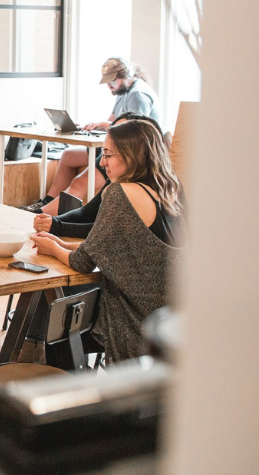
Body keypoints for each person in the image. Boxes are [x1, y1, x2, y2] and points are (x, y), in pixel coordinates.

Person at [30, 119, 183, 364]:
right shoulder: (168, 190)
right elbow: (113, 248)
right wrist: (61, 244)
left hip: (134, 323)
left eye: (108, 154)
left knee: (57, 331)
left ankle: (72, 398)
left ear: (131, 156)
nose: (102, 162)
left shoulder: (121, 193)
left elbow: (82, 262)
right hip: (168, 319)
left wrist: (53, 248)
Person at [22, 58, 161, 215]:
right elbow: (113, 121)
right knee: (68, 156)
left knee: (79, 182)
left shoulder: (138, 94)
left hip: (129, 154)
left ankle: (44, 215)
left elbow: (135, 132)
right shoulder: (123, 92)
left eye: (112, 81)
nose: (109, 86)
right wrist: (95, 126)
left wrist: (106, 125)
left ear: (126, 75)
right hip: (117, 147)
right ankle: (49, 200)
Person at [32, 112, 166, 238]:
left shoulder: (132, 191)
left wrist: (56, 227)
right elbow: (88, 213)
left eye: (108, 154)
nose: (102, 163)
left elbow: (102, 235)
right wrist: (51, 221)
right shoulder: (124, 179)